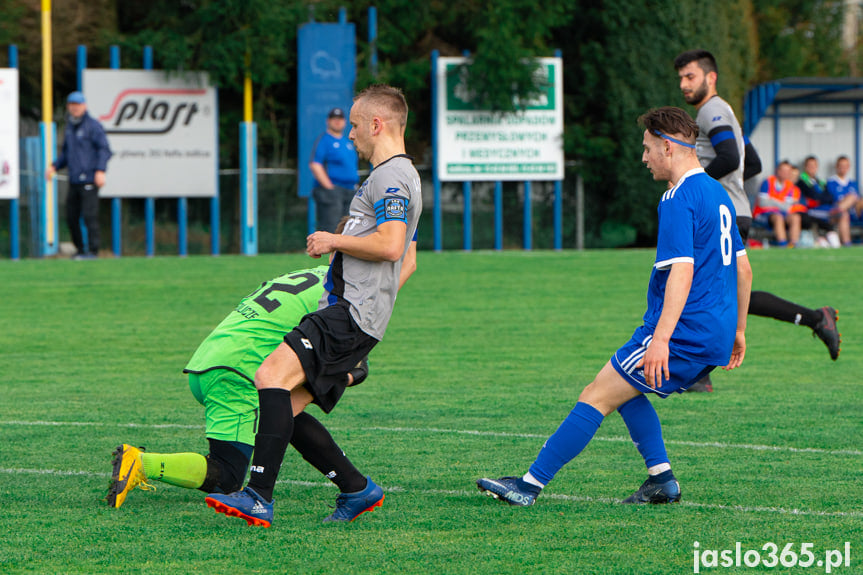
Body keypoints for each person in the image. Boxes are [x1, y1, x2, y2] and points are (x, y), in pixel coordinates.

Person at [477, 107, 752, 506]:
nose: (643, 157)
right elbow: (743, 269)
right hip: (716, 332)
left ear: (669, 147)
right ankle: (661, 480)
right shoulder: (718, 193)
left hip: (682, 331)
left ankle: (529, 485)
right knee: (626, 389)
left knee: (597, 394)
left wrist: (660, 340)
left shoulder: (678, 198)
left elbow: (682, 274)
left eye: (647, 148)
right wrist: (739, 330)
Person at [206, 84, 422, 528]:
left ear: (377, 124)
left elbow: (392, 244)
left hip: (348, 313)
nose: (353, 137)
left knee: (268, 377)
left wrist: (332, 240)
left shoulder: (390, 176)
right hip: (358, 315)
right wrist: (373, 313)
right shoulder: (401, 177)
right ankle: (357, 488)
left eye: (358, 127)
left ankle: (258, 496)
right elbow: (409, 260)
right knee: (288, 405)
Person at [106, 220, 418, 522]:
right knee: (227, 474)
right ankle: (142, 463)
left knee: (285, 413)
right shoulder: (340, 294)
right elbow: (398, 276)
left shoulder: (309, 275)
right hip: (238, 374)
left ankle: (356, 487)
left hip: (212, 362)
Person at [673, 50, 840, 381]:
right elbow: (753, 163)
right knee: (727, 294)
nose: (683, 84)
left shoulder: (711, 111)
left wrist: (698, 186)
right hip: (735, 212)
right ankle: (816, 319)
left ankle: (698, 374)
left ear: (711, 77)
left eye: (690, 76)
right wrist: (735, 193)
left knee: (699, 290)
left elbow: (731, 156)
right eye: (680, 78)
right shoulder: (725, 114)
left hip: (721, 216)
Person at [46, 91, 112, 259]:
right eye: (72, 105)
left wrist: (100, 170)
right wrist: (54, 166)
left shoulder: (93, 126)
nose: (74, 108)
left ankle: (93, 251)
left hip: (89, 179)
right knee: (71, 217)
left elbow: (104, 149)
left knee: (89, 216)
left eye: (77, 105)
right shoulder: (70, 127)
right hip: (74, 180)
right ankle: (81, 250)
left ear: (84, 106)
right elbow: (67, 154)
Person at [310, 107, 360, 233]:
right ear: (328, 121)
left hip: (349, 190)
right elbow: (315, 164)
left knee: (349, 229)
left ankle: (344, 253)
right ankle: (329, 253)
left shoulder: (347, 142)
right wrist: (329, 187)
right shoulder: (325, 140)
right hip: (333, 190)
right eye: (334, 119)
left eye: (340, 119)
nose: (337, 121)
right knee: (332, 228)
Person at [752, 160, 807, 247]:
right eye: (783, 170)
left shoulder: (791, 186)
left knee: (796, 217)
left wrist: (772, 201)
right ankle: (783, 244)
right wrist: (780, 203)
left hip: (783, 213)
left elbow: (788, 207)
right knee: (778, 217)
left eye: (788, 171)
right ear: (778, 171)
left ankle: (793, 245)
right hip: (764, 213)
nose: (785, 173)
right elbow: (762, 202)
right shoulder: (767, 182)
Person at [796, 156, 841, 247]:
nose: (812, 168)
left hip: (825, 209)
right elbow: (813, 196)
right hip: (811, 210)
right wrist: (821, 198)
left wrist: (821, 199)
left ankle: (839, 240)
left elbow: (829, 197)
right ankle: (822, 238)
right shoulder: (801, 182)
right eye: (810, 165)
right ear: (805, 167)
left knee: (841, 214)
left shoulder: (821, 182)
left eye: (814, 165)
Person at [826, 155, 863, 246]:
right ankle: (847, 243)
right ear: (837, 167)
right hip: (835, 213)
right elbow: (832, 200)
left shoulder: (852, 183)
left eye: (846, 166)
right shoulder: (831, 182)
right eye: (841, 166)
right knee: (844, 211)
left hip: (854, 211)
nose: (843, 168)